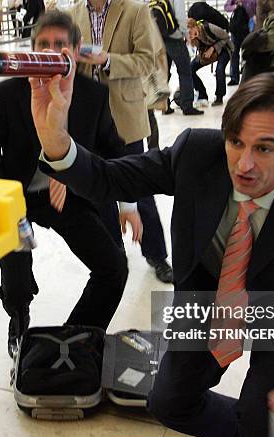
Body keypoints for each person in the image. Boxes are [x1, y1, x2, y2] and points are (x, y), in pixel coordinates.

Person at [30, 69, 274, 437]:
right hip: (210, 296)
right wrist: (57, 144)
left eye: (264, 148)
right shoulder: (195, 152)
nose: (243, 164)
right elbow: (111, 178)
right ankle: (243, 429)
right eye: (236, 142)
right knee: (168, 401)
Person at [0, 10, 131, 358]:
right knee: (14, 276)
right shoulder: (10, 92)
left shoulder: (92, 95)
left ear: (76, 52)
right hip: (19, 197)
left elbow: (114, 153)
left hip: (68, 197)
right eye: (42, 45)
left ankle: (76, 337)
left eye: (60, 45)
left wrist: (126, 201)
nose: (49, 53)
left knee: (114, 268)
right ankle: (19, 323)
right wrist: (6, 200)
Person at [69, 0, 174, 284]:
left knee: (138, 187)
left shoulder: (135, 11)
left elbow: (148, 59)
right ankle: (112, 256)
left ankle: (156, 254)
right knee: (98, 191)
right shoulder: (73, 14)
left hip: (125, 115)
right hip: (90, 118)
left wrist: (108, 60)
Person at [163, 0, 203, 115]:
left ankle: (164, 105)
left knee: (164, 72)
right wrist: (186, 35)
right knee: (185, 70)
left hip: (159, 36)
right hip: (174, 37)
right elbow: (180, 16)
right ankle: (187, 106)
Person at [188, 18, 234, 106]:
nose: (189, 35)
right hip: (208, 53)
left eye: (189, 32)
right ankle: (202, 95)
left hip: (224, 50)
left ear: (194, 27)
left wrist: (213, 48)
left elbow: (226, 37)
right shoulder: (193, 38)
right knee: (190, 68)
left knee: (219, 70)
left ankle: (219, 97)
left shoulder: (209, 28)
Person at [225, 0, 257, 86]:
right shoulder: (233, 1)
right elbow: (226, 7)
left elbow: (253, 10)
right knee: (234, 54)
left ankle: (248, 76)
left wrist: (244, 3)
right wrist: (235, 6)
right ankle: (234, 78)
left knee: (248, 53)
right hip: (235, 31)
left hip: (248, 29)